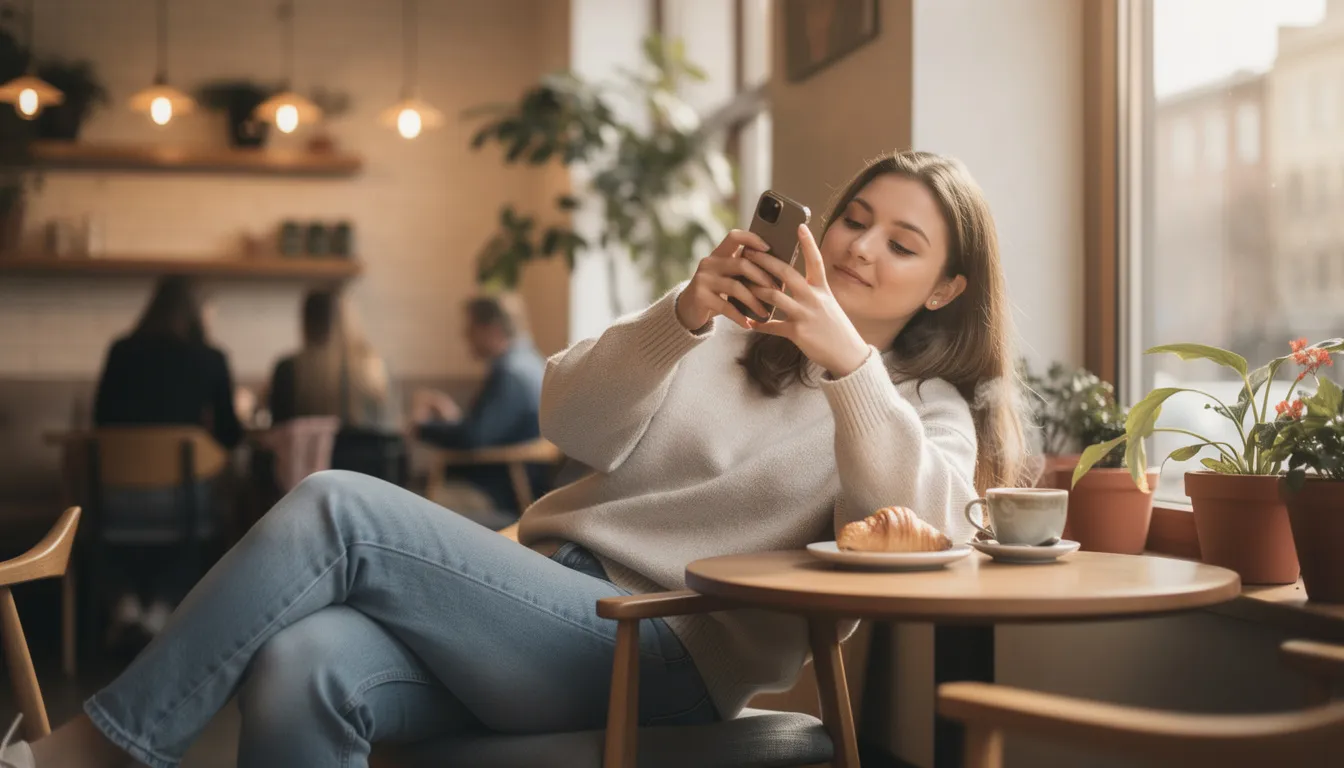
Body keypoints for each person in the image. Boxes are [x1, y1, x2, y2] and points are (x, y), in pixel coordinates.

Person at [8, 150, 1031, 768]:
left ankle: (102, 749)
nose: (860, 247)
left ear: (945, 289)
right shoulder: (723, 338)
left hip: (661, 648)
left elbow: (918, 518)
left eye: (903, 244)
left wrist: (848, 363)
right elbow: (571, 417)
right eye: (856, 219)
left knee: (336, 505)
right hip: (541, 606)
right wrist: (681, 314)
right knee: (300, 664)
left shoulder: (921, 406)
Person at [91, 275, 242, 640]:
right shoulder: (211, 358)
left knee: (114, 524)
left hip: (115, 502)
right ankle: (161, 609)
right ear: (196, 313)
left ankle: (125, 602)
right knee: (211, 512)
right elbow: (230, 435)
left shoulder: (120, 350)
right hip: (182, 502)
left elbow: (100, 420)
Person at [413, 296, 547, 523]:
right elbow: (489, 430)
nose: (465, 336)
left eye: (470, 329)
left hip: (499, 494)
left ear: (491, 329)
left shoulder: (511, 373)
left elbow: (474, 437)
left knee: (408, 509)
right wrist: (452, 418)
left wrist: (421, 428)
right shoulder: (531, 361)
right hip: (517, 482)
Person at [267, 290, 397, 431]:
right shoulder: (376, 369)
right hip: (371, 453)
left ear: (307, 323)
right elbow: (391, 428)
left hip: (312, 453)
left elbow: (280, 432)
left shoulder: (290, 370)